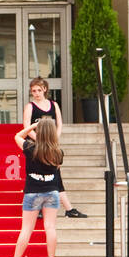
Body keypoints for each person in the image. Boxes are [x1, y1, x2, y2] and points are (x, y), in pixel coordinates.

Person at [22, 77, 86, 217]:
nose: (36, 93)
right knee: (36, 174)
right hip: (35, 146)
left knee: (55, 175)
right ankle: (45, 208)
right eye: (33, 91)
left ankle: (68, 209)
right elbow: (26, 127)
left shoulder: (53, 104)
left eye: (39, 90)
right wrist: (40, 140)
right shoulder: (30, 107)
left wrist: (54, 138)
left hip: (50, 144)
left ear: (45, 89)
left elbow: (59, 123)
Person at [9, 117, 63, 257]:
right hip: (51, 191)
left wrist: (33, 125)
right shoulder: (58, 152)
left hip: (32, 192)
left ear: (38, 132)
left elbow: (17, 136)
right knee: (50, 228)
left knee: (26, 229)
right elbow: (57, 169)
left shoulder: (30, 148)